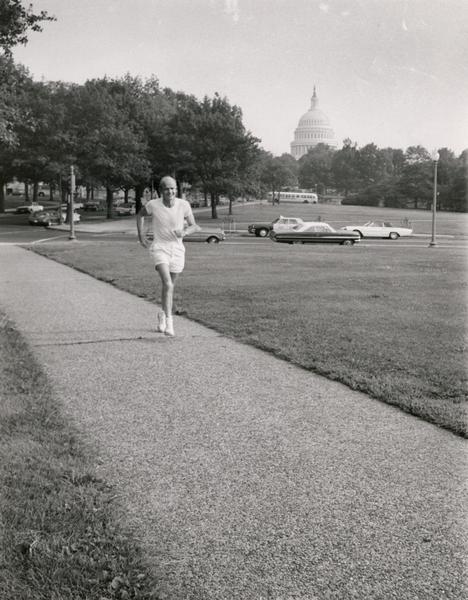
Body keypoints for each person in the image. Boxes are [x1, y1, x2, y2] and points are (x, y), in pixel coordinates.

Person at [137, 176, 200, 337]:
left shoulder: (183, 205)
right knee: (168, 284)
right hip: (160, 248)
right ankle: (170, 322)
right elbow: (140, 215)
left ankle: (162, 315)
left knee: (169, 286)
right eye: (167, 188)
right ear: (161, 191)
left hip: (177, 249)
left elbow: (195, 226)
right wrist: (141, 236)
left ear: (176, 190)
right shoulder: (153, 205)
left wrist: (184, 232)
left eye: (173, 188)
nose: (170, 191)